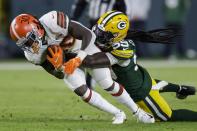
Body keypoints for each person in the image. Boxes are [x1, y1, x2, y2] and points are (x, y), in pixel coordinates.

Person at [10, 11, 155, 124]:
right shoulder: (32, 55)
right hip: (67, 59)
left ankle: (138, 112)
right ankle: (118, 114)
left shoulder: (52, 21)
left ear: (37, 28)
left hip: (81, 46)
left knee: (106, 82)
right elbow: (57, 74)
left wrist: (80, 57)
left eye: (29, 41)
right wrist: (59, 66)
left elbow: (87, 34)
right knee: (81, 90)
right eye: (24, 44)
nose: (30, 47)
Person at [63, 11, 197, 122]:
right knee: (153, 86)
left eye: (104, 34)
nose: (97, 35)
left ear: (116, 36)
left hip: (139, 92)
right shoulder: (111, 40)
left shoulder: (121, 49)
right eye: (98, 30)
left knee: (167, 116)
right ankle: (180, 88)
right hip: (141, 77)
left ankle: (185, 98)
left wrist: (66, 53)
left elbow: (91, 61)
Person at [71, 0, 127, 89]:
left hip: (108, 31)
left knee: (104, 56)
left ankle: (116, 79)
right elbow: (80, 4)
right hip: (94, 26)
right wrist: (74, 18)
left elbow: (122, 16)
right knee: (89, 52)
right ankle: (89, 82)